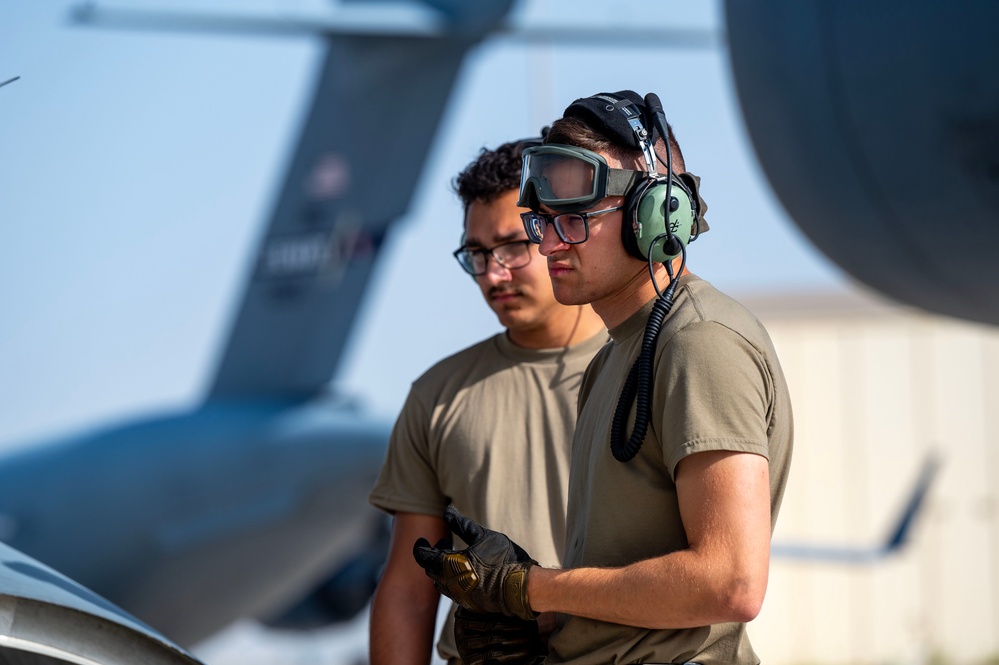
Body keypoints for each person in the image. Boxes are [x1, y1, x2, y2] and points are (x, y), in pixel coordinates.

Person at [414, 90, 793, 665]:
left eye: (573, 220)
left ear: (656, 216)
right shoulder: (617, 357)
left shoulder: (702, 342)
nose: (548, 244)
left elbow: (730, 582)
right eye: (540, 222)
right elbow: (632, 594)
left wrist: (528, 588)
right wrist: (536, 619)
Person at [368, 137, 608, 665]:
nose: (492, 274)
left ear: (558, 232)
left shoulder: (645, 366)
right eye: (476, 254)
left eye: (511, 247)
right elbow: (408, 591)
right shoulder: (437, 396)